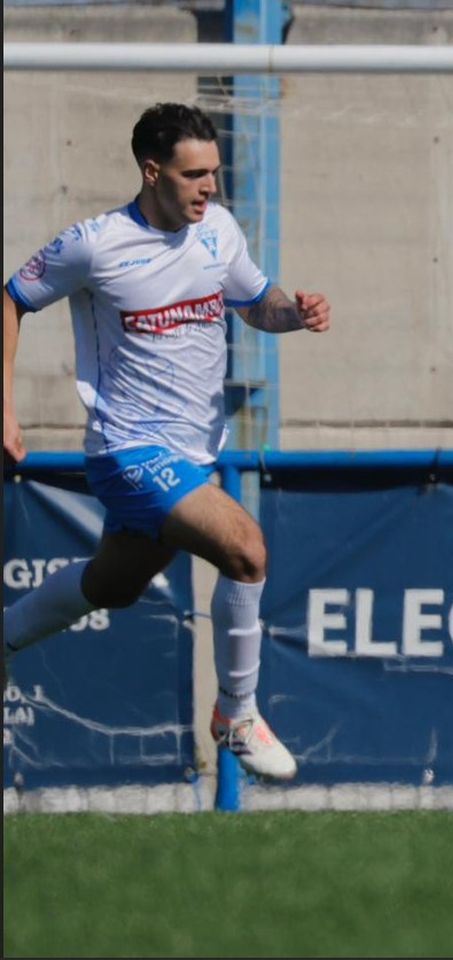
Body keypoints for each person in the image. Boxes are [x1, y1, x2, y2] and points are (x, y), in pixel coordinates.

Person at [2, 103, 331, 781]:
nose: (210, 187)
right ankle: (235, 713)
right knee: (245, 550)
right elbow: (10, 300)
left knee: (111, 586)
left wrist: (294, 314)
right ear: (153, 172)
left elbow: (256, 301)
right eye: (193, 174)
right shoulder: (94, 244)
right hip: (128, 451)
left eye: (214, 172)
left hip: (190, 452)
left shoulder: (218, 231)